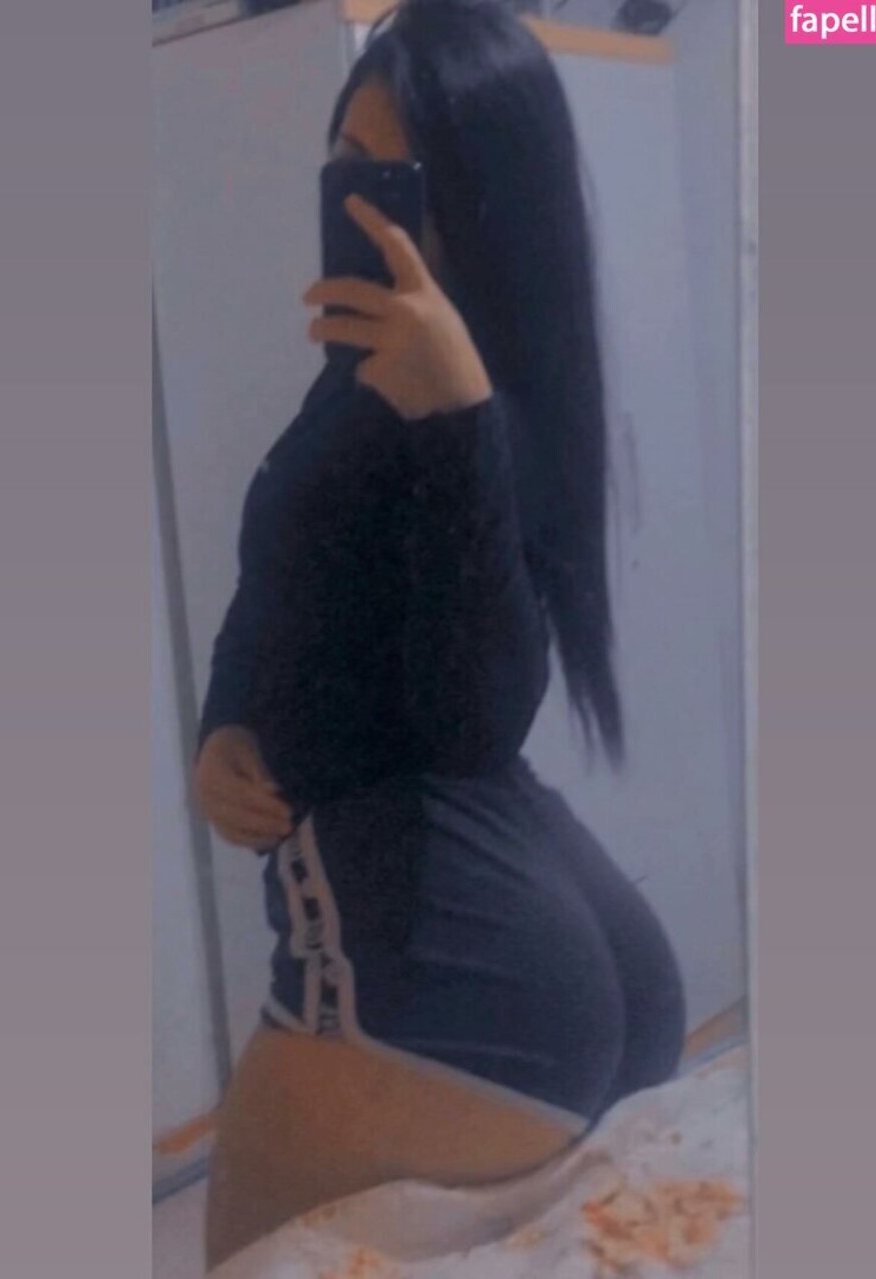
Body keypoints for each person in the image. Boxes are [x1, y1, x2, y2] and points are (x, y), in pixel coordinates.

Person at [192, 0, 686, 1267]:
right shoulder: (366, 385)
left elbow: (474, 718)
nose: (362, 202)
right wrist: (225, 720)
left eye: (401, 178)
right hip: (519, 927)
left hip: (424, 964)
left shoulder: (474, 405)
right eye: (344, 163)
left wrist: (456, 422)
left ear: (483, 201)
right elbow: (285, 587)